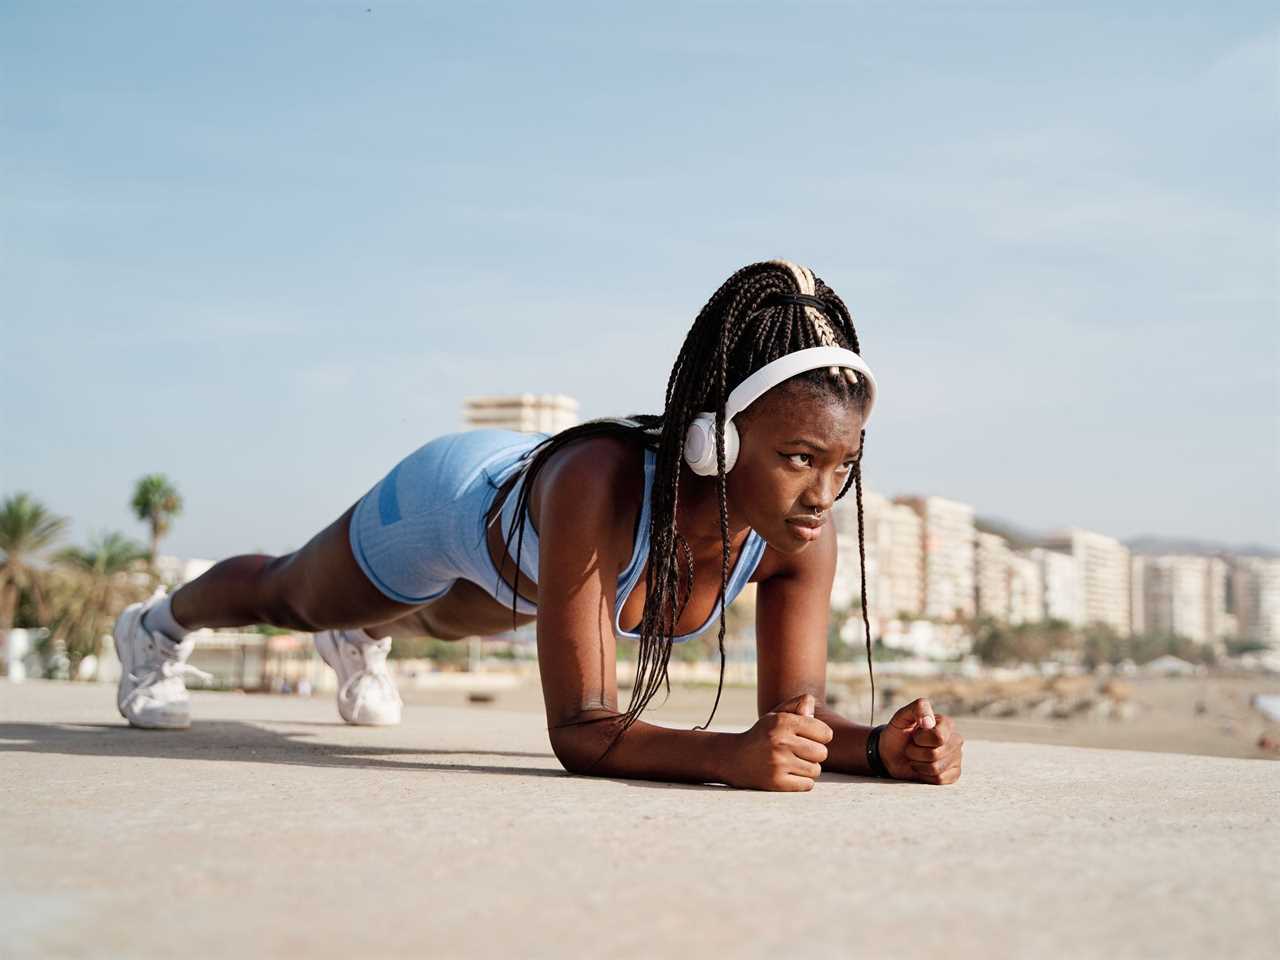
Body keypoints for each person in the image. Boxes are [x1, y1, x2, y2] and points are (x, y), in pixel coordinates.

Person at [111, 259, 964, 790]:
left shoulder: (794, 538)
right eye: (799, 458)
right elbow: (583, 731)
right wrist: (722, 757)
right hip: (454, 500)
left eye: (843, 464)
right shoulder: (599, 483)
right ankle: (154, 629)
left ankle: (367, 636)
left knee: (443, 621)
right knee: (293, 596)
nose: (825, 492)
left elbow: (794, 721)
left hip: (518, 574)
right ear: (716, 439)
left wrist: (883, 748)